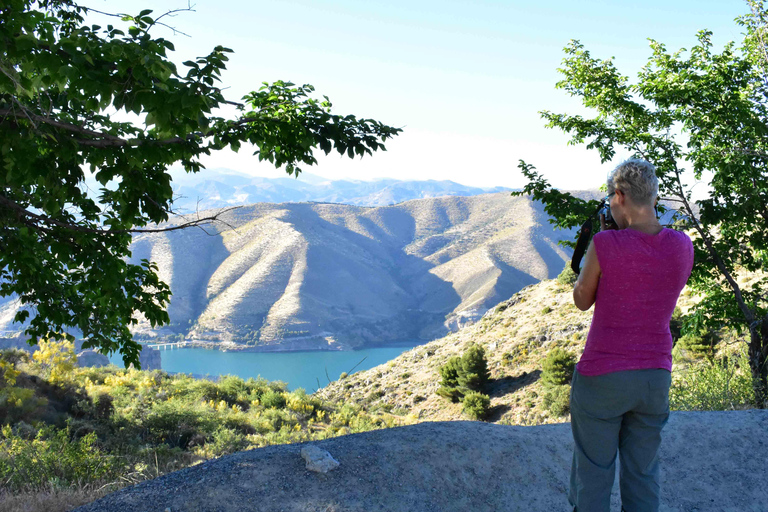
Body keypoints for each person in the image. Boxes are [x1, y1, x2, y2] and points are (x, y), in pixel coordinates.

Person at [568, 159, 694, 512]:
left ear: (620, 196)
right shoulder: (683, 246)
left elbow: (582, 300)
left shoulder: (605, 243)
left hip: (603, 377)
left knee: (593, 475)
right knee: (643, 474)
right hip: (655, 376)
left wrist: (588, 259)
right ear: (653, 197)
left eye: (610, 198)